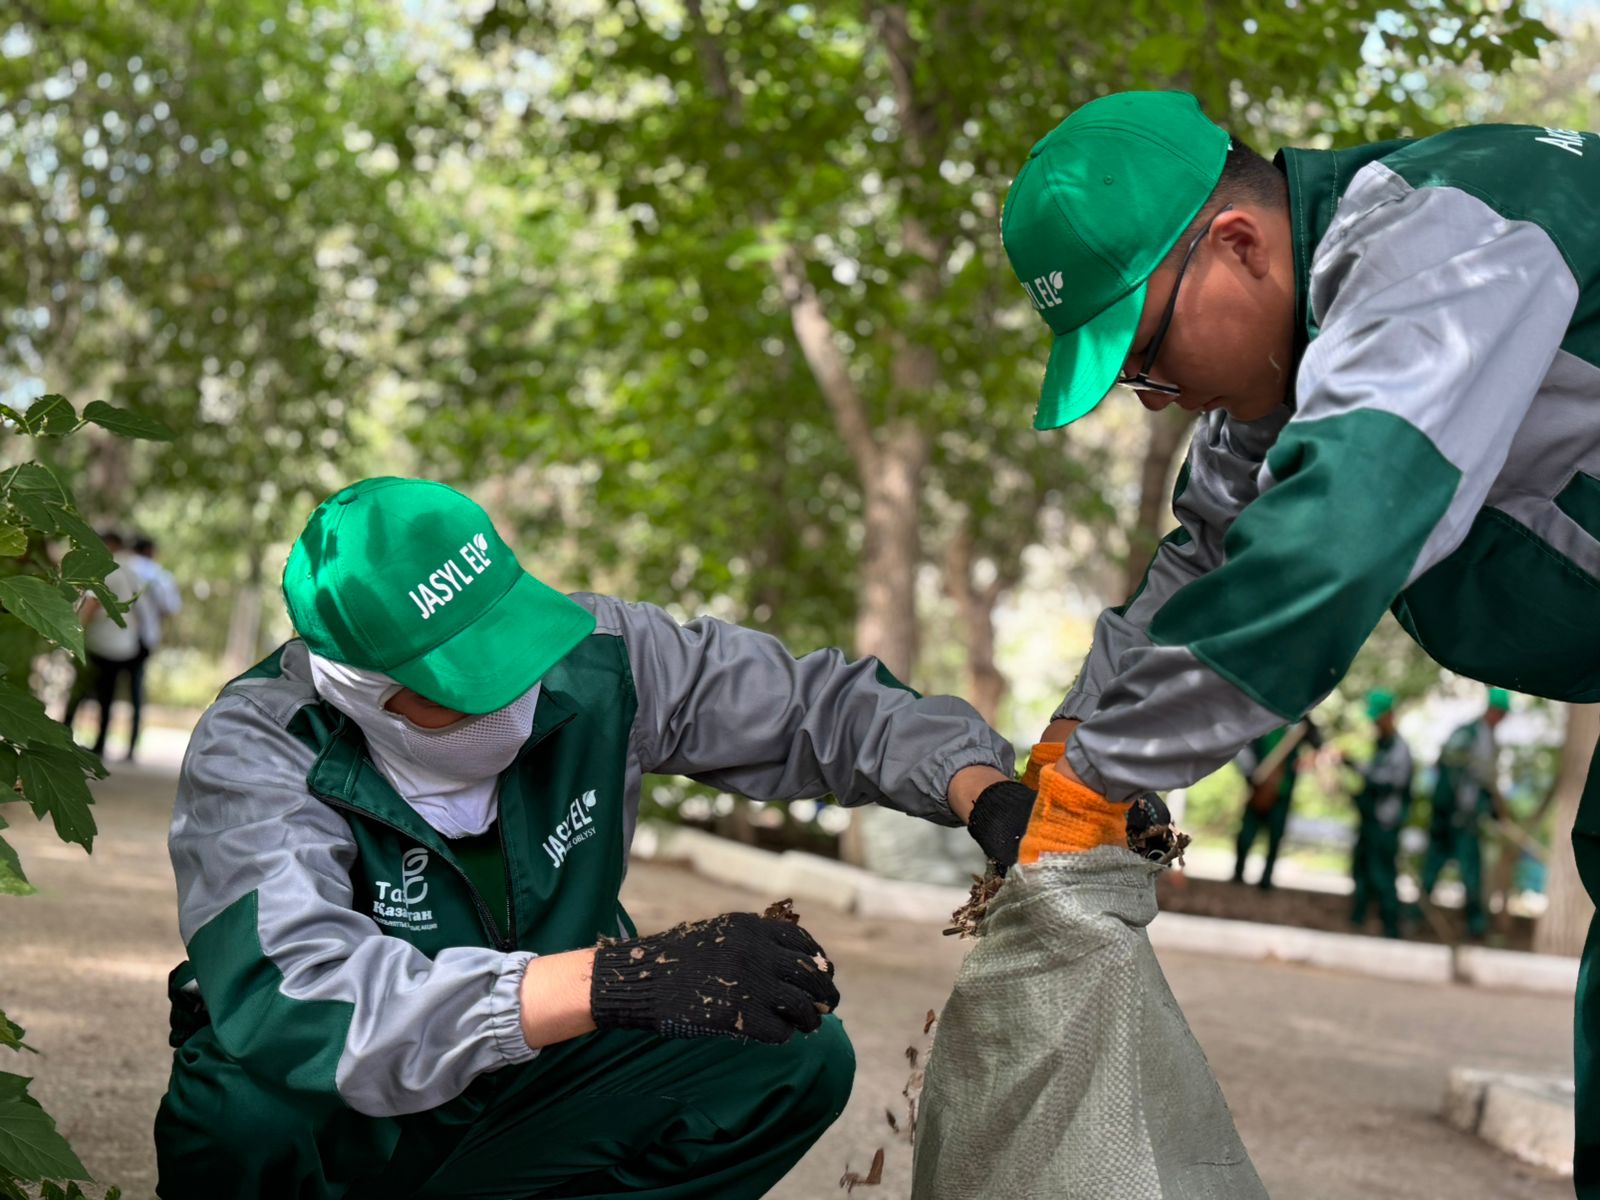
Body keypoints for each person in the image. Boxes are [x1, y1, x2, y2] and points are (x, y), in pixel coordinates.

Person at [953, 90, 1600, 1191]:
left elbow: (1334, 540)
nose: (1153, 402)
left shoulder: (1447, 234)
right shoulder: (1279, 383)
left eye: (1145, 355)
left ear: (1238, 244)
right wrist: (1071, 743)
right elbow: (1204, 555)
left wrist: (1109, 779)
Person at [153, 476, 1017, 1199]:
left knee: (789, 1057)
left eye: (512, 650)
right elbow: (301, 999)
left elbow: (810, 706)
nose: (516, 698)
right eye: (467, 683)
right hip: (347, 1124)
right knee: (243, 1115)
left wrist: (976, 789)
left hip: (531, 1080)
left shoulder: (599, 654)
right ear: (359, 686)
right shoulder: (259, 746)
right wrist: (613, 980)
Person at [1421, 687, 1510, 939]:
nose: (1501, 719)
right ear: (1493, 711)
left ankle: (1468, 926)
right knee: (1462, 870)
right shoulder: (1473, 735)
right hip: (1458, 817)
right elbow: (1477, 779)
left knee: (1452, 869)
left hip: (1458, 816)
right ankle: (1468, 926)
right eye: (1501, 713)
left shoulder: (1482, 737)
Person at [70, 531, 143, 760]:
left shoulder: (105, 571)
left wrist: (72, 636)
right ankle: (100, 744)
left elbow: (90, 606)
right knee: (107, 697)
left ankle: (64, 735)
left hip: (102, 645)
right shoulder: (130, 570)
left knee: (79, 693)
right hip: (125, 645)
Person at [1348, 690, 1414, 939]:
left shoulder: (1399, 749)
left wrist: (1362, 773)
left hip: (1385, 823)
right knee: (1362, 869)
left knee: (1382, 874)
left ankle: (1390, 926)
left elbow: (1389, 782)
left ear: (1389, 716)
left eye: (1378, 717)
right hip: (1371, 821)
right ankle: (1359, 918)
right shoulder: (1381, 746)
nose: (1375, 723)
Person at [1231, 716, 1320, 890]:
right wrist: (1253, 776)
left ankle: (1266, 879)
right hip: (1258, 787)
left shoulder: (1301, 721)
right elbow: (1242, 749)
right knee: (1246, 835)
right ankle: (1238, 873)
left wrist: (1307, 761)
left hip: (1282, 791)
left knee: (1275, 837)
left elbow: (1317, 743)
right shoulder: (1261, 718)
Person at [123, 534, 181, 761]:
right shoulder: (160, 575)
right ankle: (131, 746)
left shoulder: (121, 567)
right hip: (144, 638)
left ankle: (98, 743)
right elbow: (171, 608)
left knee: (103, 689)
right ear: (151, 551)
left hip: (114, 636)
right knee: (136, 690)